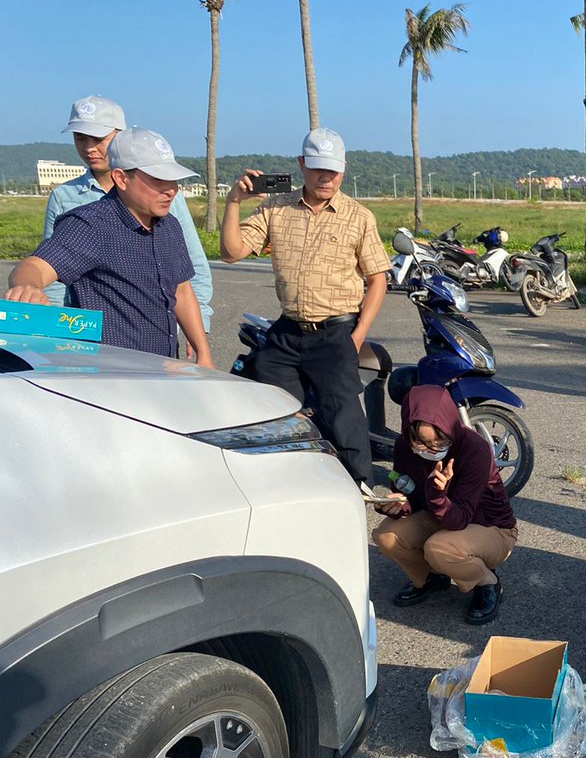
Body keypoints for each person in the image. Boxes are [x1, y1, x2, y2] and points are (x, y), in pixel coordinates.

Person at [219, 127, 390, 486]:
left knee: (344, 415)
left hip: (336, 331)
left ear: (343, 170)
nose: (324, 177)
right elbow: (232, 253)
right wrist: (233, 201)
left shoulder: (358, 217)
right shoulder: (276, 207)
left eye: (332, 170)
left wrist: (357, 336)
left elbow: (377, 280)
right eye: (316, 168)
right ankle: (292, 477)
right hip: (287, 330)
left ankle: (360, 486)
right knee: (271, 404)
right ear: (301, 165)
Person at [5, 128, 213, 366]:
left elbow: (182, 290)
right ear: (121, 178)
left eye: (173, 180)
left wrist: (203, 353)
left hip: (164, 367)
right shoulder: (90, 225)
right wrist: (28, 286)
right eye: (158, 180)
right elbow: (35, 266)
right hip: (112, 375)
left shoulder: (169, 226)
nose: (170, 190)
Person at [43, 96, 215, 346]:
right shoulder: (64, 197)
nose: (90, 148)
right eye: (80, 138)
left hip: (156, 325)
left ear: (121, 136)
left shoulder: (160, 191)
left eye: (99, 139)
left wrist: (199, 326)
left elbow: (188, 266)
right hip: (92, 332)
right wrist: (53, 328)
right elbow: (54, 275)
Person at [372, 385, 517, 625]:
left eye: (440, 439)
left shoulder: (475, 448)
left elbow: (460, 517)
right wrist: (396, 505)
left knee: (439, 547)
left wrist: (437, 494)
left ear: (451, 426)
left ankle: (486, 581)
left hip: (490, 526)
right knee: (385, 535)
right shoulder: (404, 447)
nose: (432, 449)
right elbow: (408, 491)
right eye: (421, 442)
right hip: (438, 516)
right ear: (408, 432)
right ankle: (431, 577)